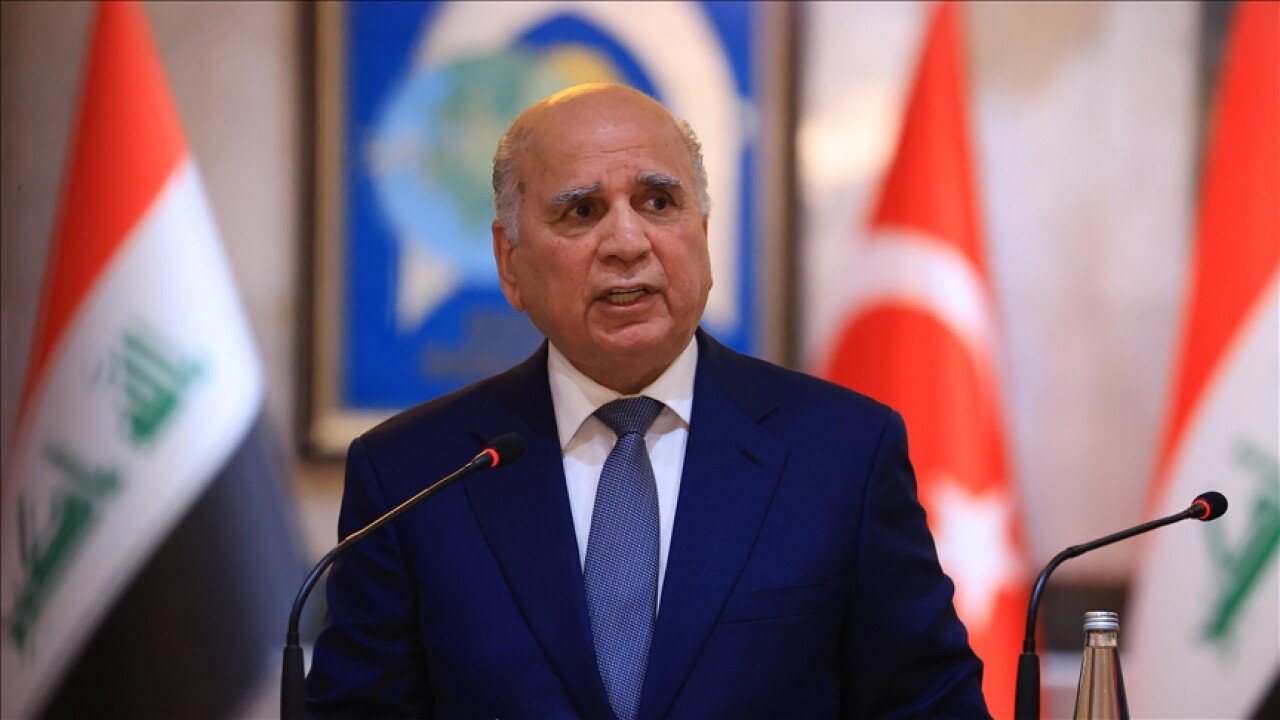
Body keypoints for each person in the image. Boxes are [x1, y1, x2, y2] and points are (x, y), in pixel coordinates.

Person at [306, 83, 989, 719]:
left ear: (704, 233)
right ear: (510, 261)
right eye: (581, 211)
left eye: (659, 202)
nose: (628, 243)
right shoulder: (411, 477)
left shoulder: (844, 456)